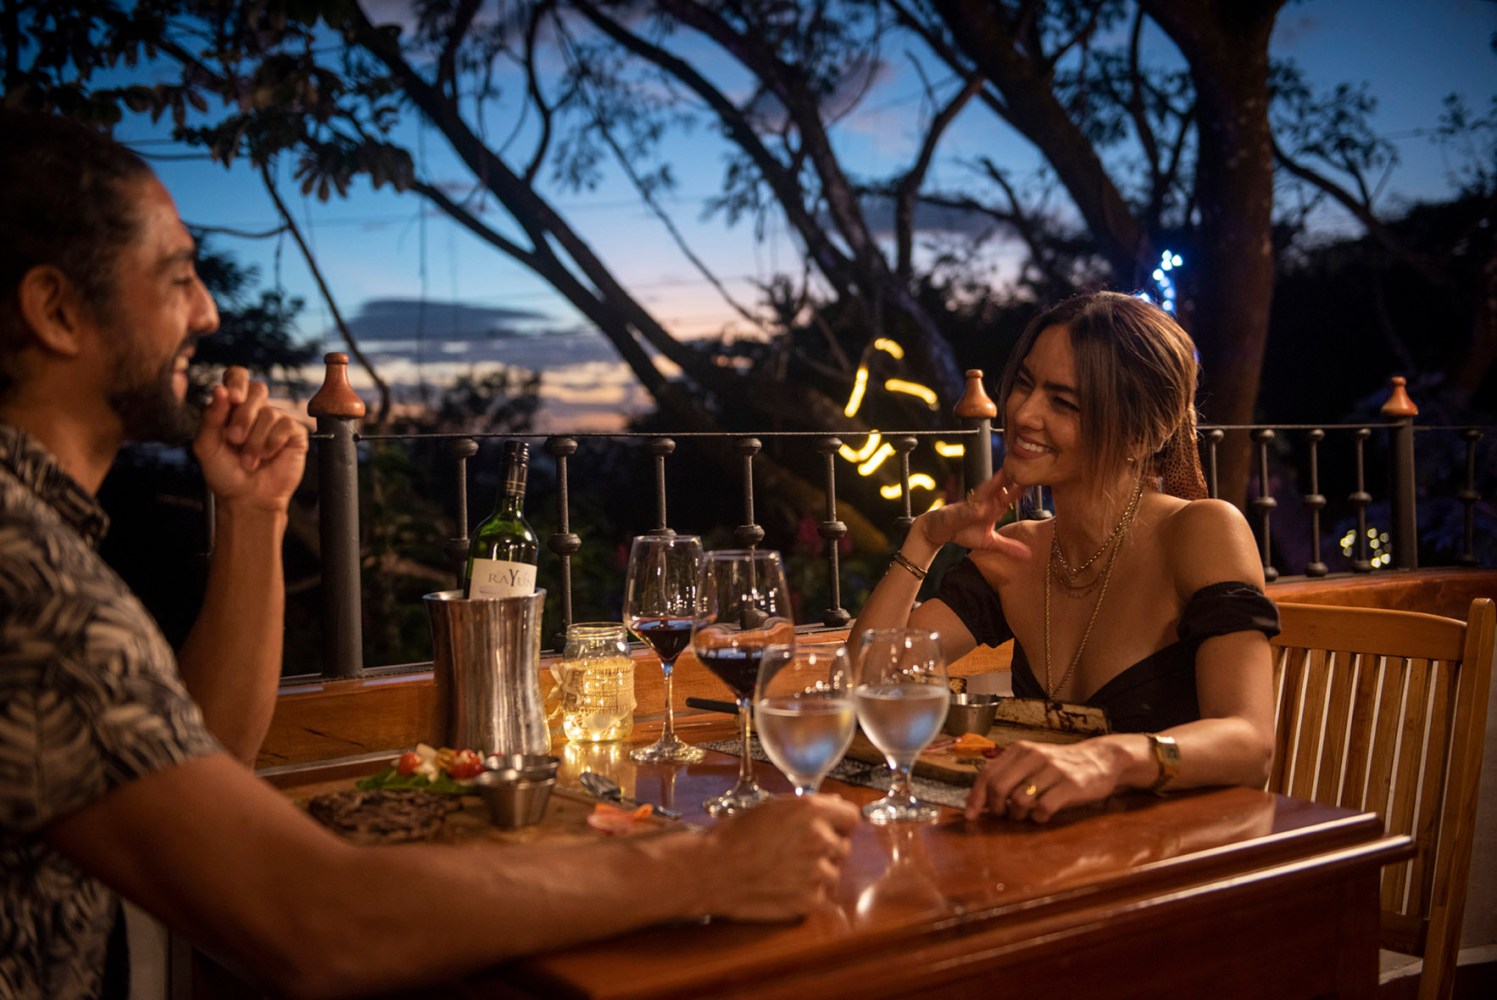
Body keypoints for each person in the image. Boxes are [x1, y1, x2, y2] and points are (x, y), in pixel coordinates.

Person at [0, 111, 859, 1000]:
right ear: (57, 310)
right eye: (178, 276)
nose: (208, 311)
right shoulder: (27, 577)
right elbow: (316, 920)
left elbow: (203, 757)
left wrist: (252, 514)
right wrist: (707, 871)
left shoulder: (39, 535)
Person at [854, 291, 1279, 824]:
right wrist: (922, 539)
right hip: (1047, 848)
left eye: (1064, 402)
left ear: (1142, 433)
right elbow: (868, 682)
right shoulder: (1019, 550)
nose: (1024, 413)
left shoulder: (1201, 529)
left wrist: (1109, 757)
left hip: (1178, 855)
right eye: (1026, 384)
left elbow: (1251, 743)